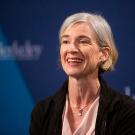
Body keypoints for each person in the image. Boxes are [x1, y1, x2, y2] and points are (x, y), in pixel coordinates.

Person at [30, 12, 135, 135]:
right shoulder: (42, 112)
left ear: (104, 54)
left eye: (83, 41)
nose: (72, 49)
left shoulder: (126, 111)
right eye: (66, 41)